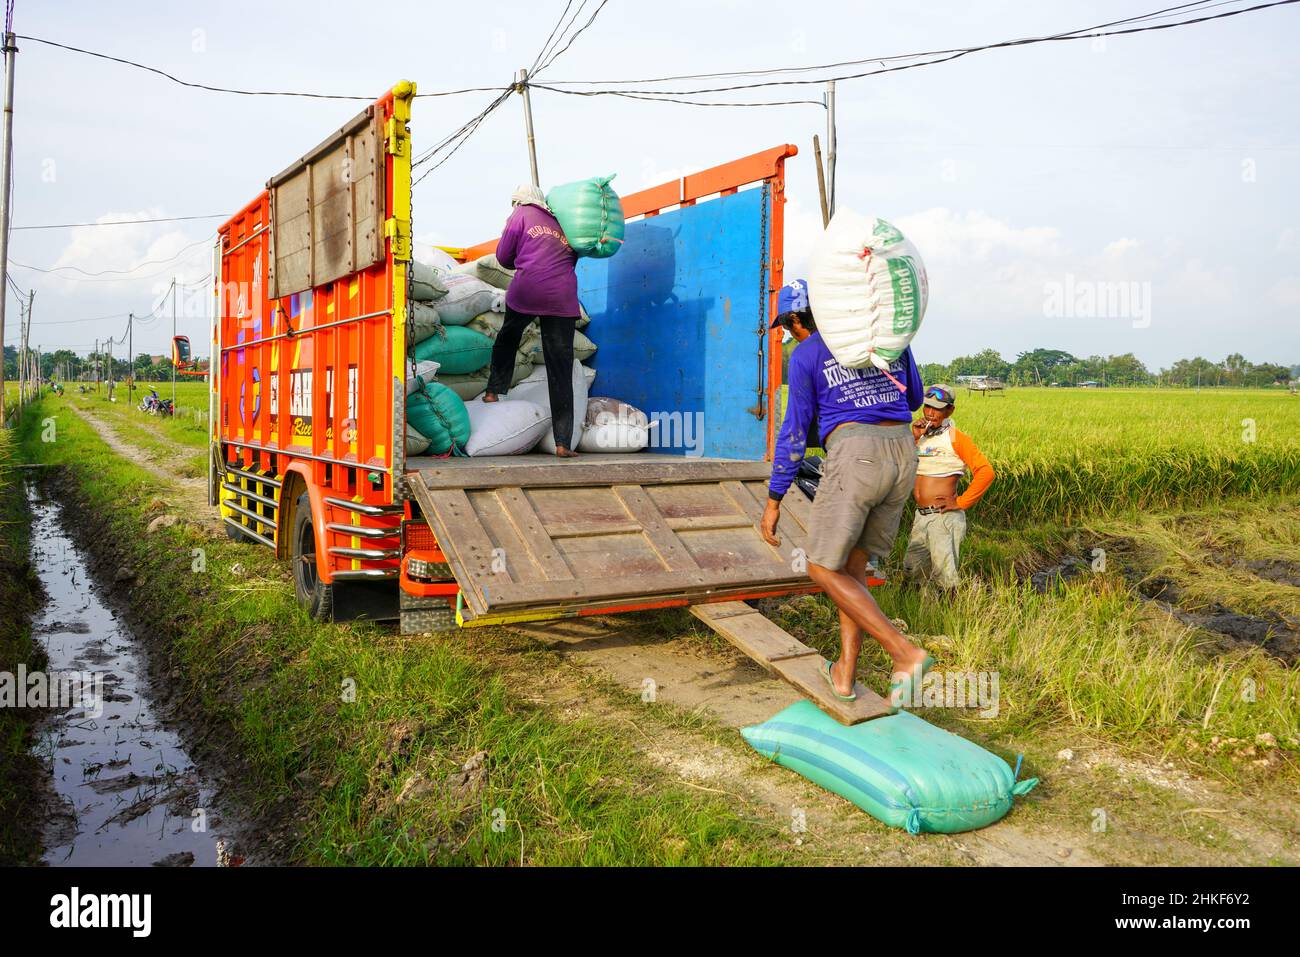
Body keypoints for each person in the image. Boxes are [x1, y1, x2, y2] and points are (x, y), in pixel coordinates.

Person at [761, 279, 933, 708]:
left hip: (857, 455)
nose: (792, 335)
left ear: (798, 319)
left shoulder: (807, 354)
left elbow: (795, 431)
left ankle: (904, 652)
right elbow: (913, 398)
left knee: (821, 568)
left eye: (789, 327)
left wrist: (774, 499)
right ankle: (845, 674)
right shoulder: (885, 340)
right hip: (902, 454)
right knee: (851, 574)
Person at [483, 183, 580, 457]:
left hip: (528, 290)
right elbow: (570, 259)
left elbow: (503, 257)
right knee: (560, 368)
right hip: (563, 297)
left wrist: (524, 258)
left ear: (520, 200)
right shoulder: (565, 223)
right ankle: (563, 443)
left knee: (508, 337)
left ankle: (493, 390)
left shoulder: (521, 213)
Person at [904, 384, 994, 591]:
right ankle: (915, 614)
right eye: (927, 406)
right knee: (913, 570)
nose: (930, 412)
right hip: (921, 516)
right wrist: (915, 437)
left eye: (937, 408)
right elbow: (901, 462)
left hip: (943, 518)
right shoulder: (922, 435)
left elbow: (986, 471)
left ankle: (950, 616)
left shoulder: (956, 438)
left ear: (950, 411)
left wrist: (961, 502)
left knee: (945, 576)